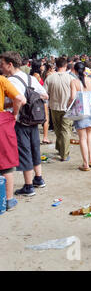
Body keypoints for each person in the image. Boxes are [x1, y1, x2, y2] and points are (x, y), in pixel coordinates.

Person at [0, 51, 48, 197]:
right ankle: (38, 178)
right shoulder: (31, 78)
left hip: (21, 120)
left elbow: (20, 99)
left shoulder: (12, 81)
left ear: (10, 64)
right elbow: (45, 95)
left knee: (24, 150)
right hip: (34, 118)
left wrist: (13, 111)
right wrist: (32, 96)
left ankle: (28, 186)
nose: (0, 67)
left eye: (2, 64)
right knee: (35, 147)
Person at [0, 72, 26, 211]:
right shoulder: (1, 80)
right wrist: (15, 113)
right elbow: (20, 98)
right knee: (6, 164)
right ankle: (8, 200)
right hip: (1, 122)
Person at [44, 57, 74, 162]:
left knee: (57, 130)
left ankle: (59, 148)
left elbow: (45, 94)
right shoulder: (70, 78)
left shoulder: (50, 78)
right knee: (65, 130)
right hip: (67, 107)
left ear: (56, 65)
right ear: (66, 66)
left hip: (54, 106)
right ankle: (64, 154)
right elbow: (74, 96)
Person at [68, 62, 91, 171]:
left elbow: (72, 97)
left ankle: (85, 164)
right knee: (89, 134)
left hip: (80, 109)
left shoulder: (74, 82)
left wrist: (67, 106)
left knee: (82, 138)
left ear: (74, 70)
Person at [30, 59, 51, 144]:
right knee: (46, 118)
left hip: (39, 97)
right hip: (40, 98)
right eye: (42, 65)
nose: (44, 66)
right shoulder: (36, 75)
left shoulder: (36, 74)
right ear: (39, 66)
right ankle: (45, 137)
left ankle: (45, 137)